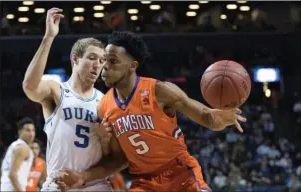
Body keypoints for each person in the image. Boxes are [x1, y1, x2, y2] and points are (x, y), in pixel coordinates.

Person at [57, 31, 246, 192]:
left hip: (180, 174)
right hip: (146, 181)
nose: (104, 66)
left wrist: (223, 116)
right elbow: (119, 159)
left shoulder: (160, 91)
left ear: (133, 66)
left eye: (113, 61)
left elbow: (207, 117)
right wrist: (83, 176)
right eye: (104, 59)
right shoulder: (105, 105)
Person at [22, 8, 123, 191]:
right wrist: (48, 38)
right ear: (75, 59)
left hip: (94, 185)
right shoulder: (57, 90)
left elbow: (116, 157)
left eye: (101, 60)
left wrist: (105, 141)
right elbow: (29, 87)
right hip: (59, 183)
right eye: (92, 58)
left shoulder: (106, 102)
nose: (97, 65)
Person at [1, 117, 35, 191]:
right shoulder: (22, 148)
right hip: (13, 189)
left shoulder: (14, 145)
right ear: (20, 131)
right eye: (28, 130)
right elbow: (12, 174)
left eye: (33, 130)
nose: (31, 133)